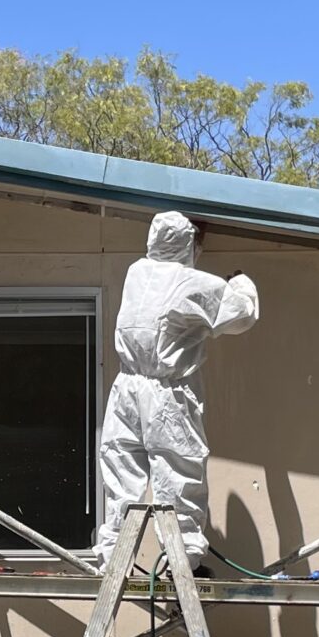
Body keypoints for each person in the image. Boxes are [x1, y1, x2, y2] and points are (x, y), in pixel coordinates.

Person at [94, 211, 258, 562]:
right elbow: (242, 315)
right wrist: (241, 283)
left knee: (122, 471)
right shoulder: (195, 283)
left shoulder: (136, 273)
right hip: (166, 396)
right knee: (178, 471)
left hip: (125, 390)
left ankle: (113, 557)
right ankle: (181, 558)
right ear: (188, 244)